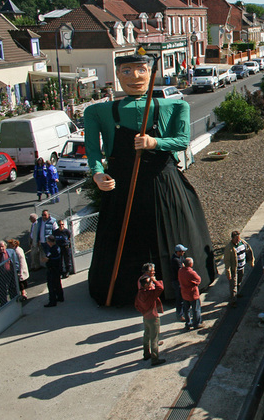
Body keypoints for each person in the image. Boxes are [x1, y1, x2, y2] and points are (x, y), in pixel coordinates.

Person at [84, 53, 216, 306]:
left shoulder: (176, 106)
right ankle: (120, 293)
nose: (134, 77)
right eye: (126, 71)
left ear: (150, 72)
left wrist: (155, 142)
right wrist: (98, 174)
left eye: (141, 70)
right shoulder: (96, 112)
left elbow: (181, 141)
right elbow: (93, 151)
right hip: (123, 185)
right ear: (117, 75)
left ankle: (177, 289)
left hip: (163, 182)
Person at [135, 273, 166, 366]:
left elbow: (136, 305)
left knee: (146, 336)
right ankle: (155, 358)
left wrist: (143, 312)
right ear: (145, 285)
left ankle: (146, 353)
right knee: (154, 339)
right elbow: (160, 288)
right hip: (153, 318)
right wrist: (155, 280)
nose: (151, 283)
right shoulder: (150, 294)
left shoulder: (140, 294)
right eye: (149, 282)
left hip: (146, 317)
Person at [224, 231, 254, 307]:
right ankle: (233, 300)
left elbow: (249, 251)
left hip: (242, 267)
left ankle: (237, 293)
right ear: (232, 238)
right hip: (234, 269)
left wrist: (251, 261)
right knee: (233, 285)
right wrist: (228, 272)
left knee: (239, 281)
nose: (238, 240)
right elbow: (227, 261)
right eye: (236, 238)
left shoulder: (243, 243)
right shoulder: (229, 248)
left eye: (239, 238)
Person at [178, 257, 202, 330]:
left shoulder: (180, 271)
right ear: (191, 264)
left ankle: (188, 324)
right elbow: (199, 280)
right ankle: (196, 323)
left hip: (184, 294)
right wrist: (195, 283)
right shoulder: (191, 272)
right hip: (192, 294)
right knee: (196, 309)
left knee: (186, 309)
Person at [41, 235, 64, 307]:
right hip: (57, 269)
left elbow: (49, 258)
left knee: (51, 285)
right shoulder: (57, 248)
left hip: (52, 269)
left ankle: (52, 301)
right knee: (57, 284)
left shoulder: (52, 250)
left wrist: (47, 259)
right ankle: (60, 297)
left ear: (50, 242)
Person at [0, 240, 19, 306]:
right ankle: (4, 305)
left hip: (11, 274)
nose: (1, 248)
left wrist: (17, 271)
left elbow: (16, 262)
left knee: (13, 289)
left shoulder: (11, 252)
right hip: (0, 276)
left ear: (5, 246)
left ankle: (15, 303)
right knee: (2, 292)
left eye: (2, 246)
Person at [170, 244, 187, 320]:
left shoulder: (180, 257)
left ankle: (183, 313)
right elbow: (182, 269)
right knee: (179, 299)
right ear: (178, 252)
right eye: (182, 251)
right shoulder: (175, 260)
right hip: (177, 282)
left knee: (182, 299)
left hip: (180, 281)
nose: (183, 252)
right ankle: (180, 315)